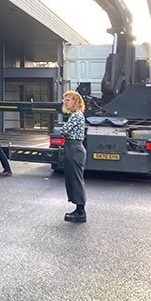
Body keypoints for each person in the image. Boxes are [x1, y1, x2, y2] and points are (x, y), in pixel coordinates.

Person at [60, 90, 87, 223]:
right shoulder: (74, 115)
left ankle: (81, 211)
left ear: (76, 101)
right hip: (71, 147)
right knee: (72, 178)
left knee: (76, 179)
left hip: (74, 148)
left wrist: (65, 130)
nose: (66, 102)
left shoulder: (76, 115)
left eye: (68, 100)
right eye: (65, 100)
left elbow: (63, 130)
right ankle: (78, 208)